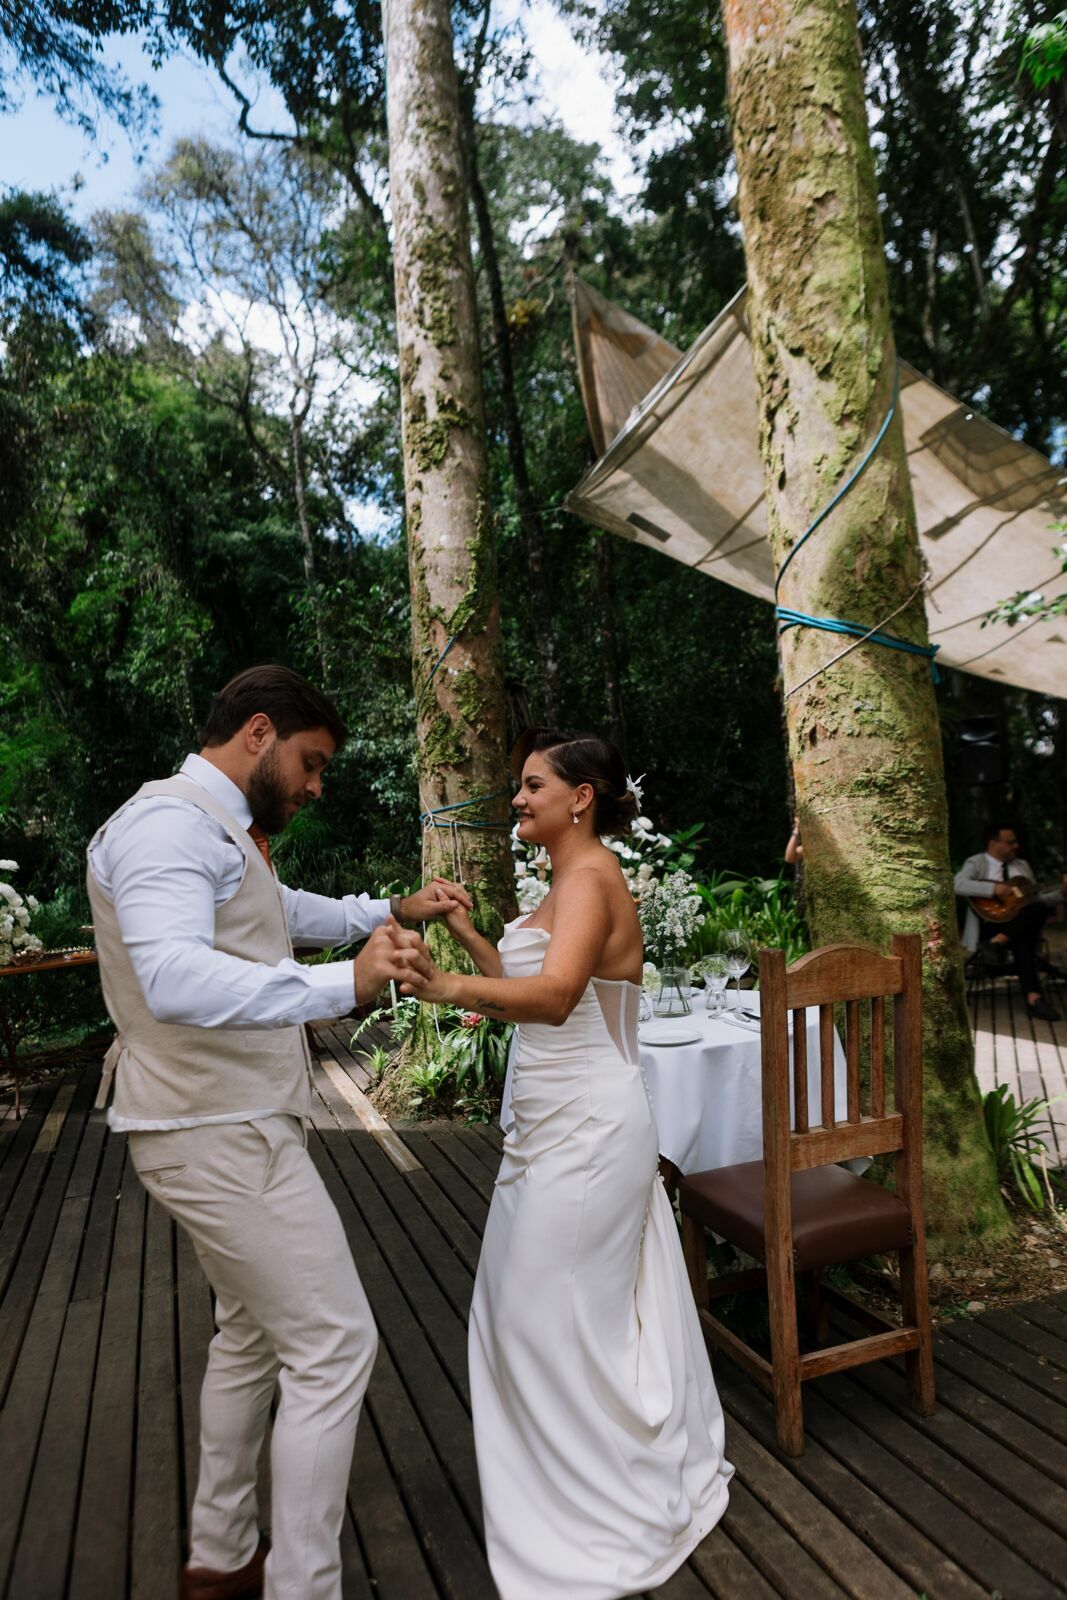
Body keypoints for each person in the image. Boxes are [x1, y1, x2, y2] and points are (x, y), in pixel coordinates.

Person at [86, 665, 463, 1600]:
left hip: (229, 1123)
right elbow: (171, 976)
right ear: (259, 732)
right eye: (311, 762)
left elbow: (271, 917)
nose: (315, 784)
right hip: (215, 1132)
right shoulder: (166, 826)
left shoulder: (216, 833)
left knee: (251, 1338)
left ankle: (219, 1560)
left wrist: (386, 911)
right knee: (334, 1346)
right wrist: (347, 987)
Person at [400, 727, 733, 1600]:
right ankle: (560, 1493)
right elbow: (529, 985)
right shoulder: (558, 885)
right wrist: (472, 941)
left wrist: (447, 988)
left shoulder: (592, 877)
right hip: (546, 1124)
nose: (517, 798)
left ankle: (593, 1511)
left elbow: (551, 1000)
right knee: (525, 1311)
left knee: (545, 1315)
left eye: (532, 785)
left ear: (580, 797)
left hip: (589, 1126)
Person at [954, 823, 1066, 1022]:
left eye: (1015, 842)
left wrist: (1061, 893)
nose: (1016, 846)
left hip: (1018, 924)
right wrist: (993, 890)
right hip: (988, 925)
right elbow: (957, 884)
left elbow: (1035, 898)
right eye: (1010, 842)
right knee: (1026, 936)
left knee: (1035, 910)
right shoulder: (977, 862)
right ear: (993, 843)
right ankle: (1033, 998)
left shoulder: (1022, 865)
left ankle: (997, 945)